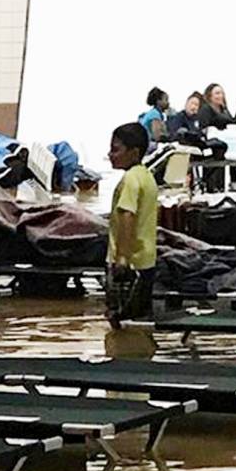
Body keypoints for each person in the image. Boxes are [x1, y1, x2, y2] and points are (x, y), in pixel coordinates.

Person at [105, 123, 159, 325]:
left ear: (134, 152)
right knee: (140, 321)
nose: (110, 154)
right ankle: (140, 352)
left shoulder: (130, 180)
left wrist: (122, 258)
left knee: (120, 321)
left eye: (116, 149)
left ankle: (121, 354)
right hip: (146, 262)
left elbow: (127, 216)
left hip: (130, 264)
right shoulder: (147, 176)